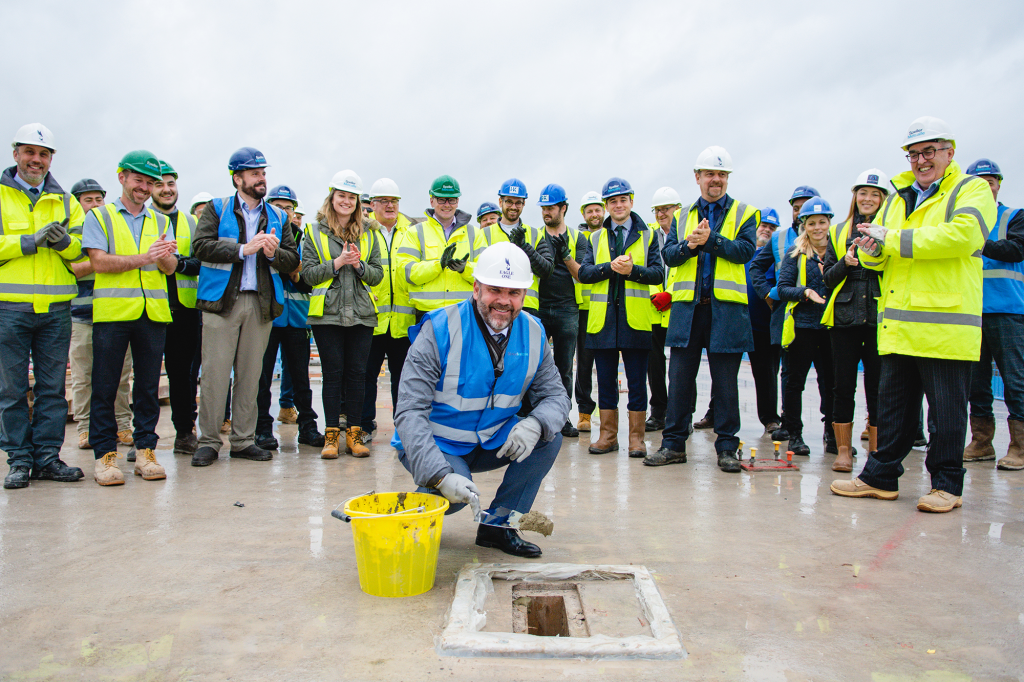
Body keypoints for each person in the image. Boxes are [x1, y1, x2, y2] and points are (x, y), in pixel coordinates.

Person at [831, 116, 997, 513]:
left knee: (946, 413)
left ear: (949, 153)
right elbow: (882, 258)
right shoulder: (897, 197)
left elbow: (963, 236)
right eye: (913, 154)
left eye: (928, 152)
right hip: (899, 324)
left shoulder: (970, 189)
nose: (920, 161)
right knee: (892, 408)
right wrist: (871, 253)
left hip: (944, 325)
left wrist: (893, 239)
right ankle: (880, 477)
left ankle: (946, 486)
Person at [395, 242, 569, 558]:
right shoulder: (439, 329)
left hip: (492, 439)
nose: (504, 301)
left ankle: (498, 527)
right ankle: (417, 512)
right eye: (494, 290)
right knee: (449, 494)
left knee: (549, 436)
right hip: (440, 443)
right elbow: (409, 410)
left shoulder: (533, 332)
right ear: (476, 289)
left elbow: (556, 396)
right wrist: (439, 474)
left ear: (525, 296)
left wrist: (535, 424)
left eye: (514, 292)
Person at [647, 147, 758, 472]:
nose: (716, 180)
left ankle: (726, 447)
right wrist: (690, 245)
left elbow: (745, 251)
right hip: (687, 310)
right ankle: (673, 445)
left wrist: (711, 241)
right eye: (710, 174)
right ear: (698, 177)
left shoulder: (745, 212)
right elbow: (669, 255)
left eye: (722, 175)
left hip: (725, 310)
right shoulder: (682, 216)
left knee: (725, 382)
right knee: (679, 379)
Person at [190, 147, 300, 467]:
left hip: (260, 304)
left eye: (263, 173)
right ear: (237, 179)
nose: (261, 178)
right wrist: (243, 249)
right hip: (222, 304)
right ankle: (209, 441)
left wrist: (270, 254)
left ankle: (242, 440)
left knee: (251, 376)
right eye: (254, 173)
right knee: (215, 375)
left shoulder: (279, 216)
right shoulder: (216, 208)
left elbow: (292, 260)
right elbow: (201, 246)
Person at [83, 150, 177, 485]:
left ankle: (146, 450)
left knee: (148, 387)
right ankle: (105, 455)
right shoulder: (101, 217)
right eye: (139, 180)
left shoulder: (161, 221)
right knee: (106, 386)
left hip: (151, 313)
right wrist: (144, 257)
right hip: (113, 314)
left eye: (150, 182)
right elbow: (98, 262)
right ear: (122, 177)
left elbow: (170, 268)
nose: (144, 187)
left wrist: (165, 258)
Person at [1, 123, 86, 490]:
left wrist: (65, 242)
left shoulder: (68, 202)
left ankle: (47, 458)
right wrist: (28, 242)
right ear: (15, 153)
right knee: (11, 389)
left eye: (43, 154)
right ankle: (19, 460)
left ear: (51, 159)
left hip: (55, 310)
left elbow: (82, 253)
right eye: (30, 152)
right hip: (10, 308)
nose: (36, 159)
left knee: (52, 388)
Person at [578, 177, 663, 458]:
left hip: (635, 319)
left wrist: (633, 271)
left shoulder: (648, 235)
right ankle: (608, 436)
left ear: (631, 201)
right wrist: (609, 268)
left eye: (622, 200)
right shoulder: (594, 237)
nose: (618, 205)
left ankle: (636, 439)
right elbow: (585, 274)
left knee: (638, 381)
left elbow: (658, 273)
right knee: (605, 381)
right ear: (605, 206)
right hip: (603, 321)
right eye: (612, 201)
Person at [301, 170, 383, 458]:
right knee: (332, 376)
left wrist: (359, 267)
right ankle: (331, 436)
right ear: (332, 197)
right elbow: (308, 275)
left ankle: (356, 435)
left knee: (358, 376)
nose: (346, 201)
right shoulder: (313, 231)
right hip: (328, 315)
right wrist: (337, 263)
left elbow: (378, 275)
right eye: (341, 196)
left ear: (357, 202)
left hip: (361, 315)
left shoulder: (371, 232)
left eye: (351, 197)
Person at [821, 170, 888, 470]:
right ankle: (844, 450)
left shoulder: (891, 229)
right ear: (855, 197)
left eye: (875, 194)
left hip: (878, 316)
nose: (868, 199)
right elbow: (827, 277)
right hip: (844, 318)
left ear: (883, 199)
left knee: (877, 386)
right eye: (863, 193)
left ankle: (876, 451)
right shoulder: (838, 232)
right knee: (842, 385)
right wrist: (846, 264)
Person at [960, 159, 1024, 471]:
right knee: (977, 381)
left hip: (1007, 312)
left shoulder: (1014, 217)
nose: (986, 186)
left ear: (999, 184)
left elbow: (1016, 250)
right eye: (979, 182)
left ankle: (1020, 446)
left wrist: (978, 242)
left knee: (1015, 380)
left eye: (991, 181)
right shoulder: (963, 219)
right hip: (970, 310)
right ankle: (981, 442)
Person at [748, 184, 820, 440]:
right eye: (797, 207)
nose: (801, 212)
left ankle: (832, 434)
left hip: (819, 319)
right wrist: (768, 293)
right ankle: (789, 428)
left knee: (825, 377)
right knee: (789, 377)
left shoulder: (827, 238)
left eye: (807, 207)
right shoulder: (780, 240)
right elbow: (757, 268)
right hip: (783, 317)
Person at [68, 179, 135, 452]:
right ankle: (84, 427)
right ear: (77, 203)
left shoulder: (112, 228)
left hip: (114, 313)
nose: (95, 205)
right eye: (88, 200)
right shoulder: (72, 233)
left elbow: (125, 261)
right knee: (83, 376)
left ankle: (122, 424)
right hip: (81, 315)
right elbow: (72, 268)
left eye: (99, 199)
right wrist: (100, 260)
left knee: (120, 374)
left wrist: (106, 260)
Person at [255, 184, 324, 451]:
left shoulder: (303, 238)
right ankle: (262, 428)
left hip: (295, 318)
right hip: (268, 317)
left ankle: (307, 426)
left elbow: (308, 279)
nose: (285, 212)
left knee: (300, 377)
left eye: (289, 208)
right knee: (262, 377)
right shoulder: (261, 235)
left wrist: (297, 273)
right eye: (279, 207)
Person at [149, 160, 203, 457]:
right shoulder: (141, 219)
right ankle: (145, 439)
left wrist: (178, 263)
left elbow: (201, 262)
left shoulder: (190, 223)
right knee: (146, 378)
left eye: (170, 184)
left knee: (183, 376)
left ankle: (184, 432)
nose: (166, 189)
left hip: (184, 310)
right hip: (149, 308)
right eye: (159, 184)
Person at [359, 178, 417, 444]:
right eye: (383, 201)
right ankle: (364, 425)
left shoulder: (413, 231)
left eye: (393, 201)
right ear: (372, 205)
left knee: (403, 380)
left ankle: (402, 427)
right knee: (366, 375)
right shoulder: (363, 231)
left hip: (403, 320)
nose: (390, 206)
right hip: (372, 318)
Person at [777, 198, 835, 459]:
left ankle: (833, 434)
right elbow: (782, 288)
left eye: (822, 222)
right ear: (804, 226)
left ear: (829, 223)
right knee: (794, 382)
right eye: (812, 223)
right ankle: (794, 434)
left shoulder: (839, 251)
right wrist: (805, 292)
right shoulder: (795, 253)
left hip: (831, 327)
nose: (818, 227)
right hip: (803, 327)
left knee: (831, 383)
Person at [538, 183, 590, 438]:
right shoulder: (536, 236)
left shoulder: (578, 238)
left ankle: (562, 418)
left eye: (551, 207)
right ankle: (534, 416)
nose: (547, 212)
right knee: (534, 365)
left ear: (564, 208)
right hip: (539, 307)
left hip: (568, 308)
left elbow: (582, 274)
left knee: (564, 368)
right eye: (544, 207)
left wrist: (566, 255)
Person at [396, 175, 476, 322]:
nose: (447, 204)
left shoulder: (474, 234)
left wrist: (465, 268)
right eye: (441, 199)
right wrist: (438, 265)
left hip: (465, 313)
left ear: (457, 201)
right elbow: (406, 273)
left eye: (451, 199)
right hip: (427, 314)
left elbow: (485, 274)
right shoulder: (415, 232)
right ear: (431, 200)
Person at [472, 179, 554, 316]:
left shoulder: (534, 234)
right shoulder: (484, 234)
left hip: (527, 306)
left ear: (524, 204)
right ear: (500, 202)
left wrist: (524, 247)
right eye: (509, 201)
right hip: (493, 305)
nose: (513, 207)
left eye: (518, 203)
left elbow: (547, 271)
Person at [645, 187, 682, 432]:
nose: (661, 214)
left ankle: (682, 415)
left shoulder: (687, 234)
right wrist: (654, 295)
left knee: (682, 366)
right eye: (658, 210)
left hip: (679, 306)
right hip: (654, 307)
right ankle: (658, 412)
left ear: (677, 209)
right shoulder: (648, 236)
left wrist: (673, 294)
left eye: (666, 209)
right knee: (654, 363)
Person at [745, 207, 782, 434]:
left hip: (764, 324)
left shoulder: (775, 255)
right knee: (724, 370)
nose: (767, 230)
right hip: (738, 322)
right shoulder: (743, 251)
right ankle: (713, 413)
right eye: (763, 225)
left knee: (767, 372)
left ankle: (770, 418)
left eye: (771, 227)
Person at [573, 191, 604, 433]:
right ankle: (584, 413)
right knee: (584, 364)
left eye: (597, 209)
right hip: (584, 308)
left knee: (607, 364)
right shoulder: (578, 239)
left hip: (608, 307)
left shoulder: (611, 237)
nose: (594, 214)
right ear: (583, 214)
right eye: (589, 210)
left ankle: (609, 413)